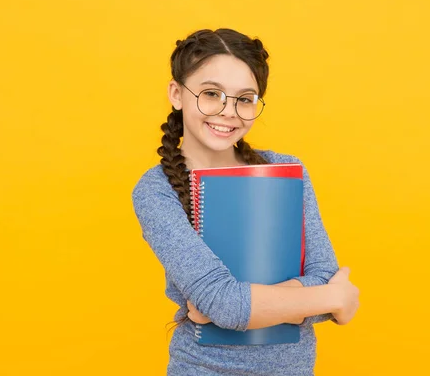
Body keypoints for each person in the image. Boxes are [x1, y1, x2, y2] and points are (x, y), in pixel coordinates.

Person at [132, 28, 360, 376]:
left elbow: (323, 272)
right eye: (211, 94)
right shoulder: (156, 190)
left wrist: (228, 307)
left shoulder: (287, 170)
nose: (228, 112)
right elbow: (224, 302)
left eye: (245, 98)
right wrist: (332, 299)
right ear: (177, 93)